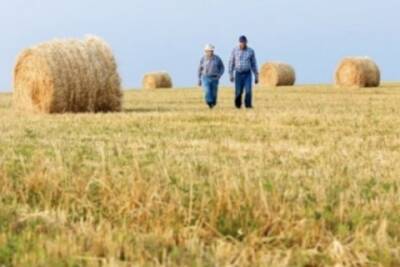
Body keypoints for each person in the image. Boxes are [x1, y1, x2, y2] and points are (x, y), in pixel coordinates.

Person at [229, 35, 259, 109]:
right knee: (238, 92)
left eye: (244, 42)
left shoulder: (251, 51)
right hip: (238, 73)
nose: (242, 44)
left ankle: (248, 105)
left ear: (246, 42)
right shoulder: (234, 50)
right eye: (241, 42)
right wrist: (231, 74)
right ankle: (238, 105)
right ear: (239, 42)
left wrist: (256, 75)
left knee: (248, 91)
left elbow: (254, 64)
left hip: (247, 74)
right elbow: (231, 62)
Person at [198, 44, 225, 109]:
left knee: (214, 93)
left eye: (211, 51)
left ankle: (213, 103)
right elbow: (200, 69)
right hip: (205, 77)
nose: (210, 52)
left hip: (215, 78)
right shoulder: (203, 59)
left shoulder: (217, 58)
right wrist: (199, 79)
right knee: (207, 90)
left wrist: (219, 75)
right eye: (208, 51)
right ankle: (209, 103)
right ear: (205, 51)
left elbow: (222, 67)